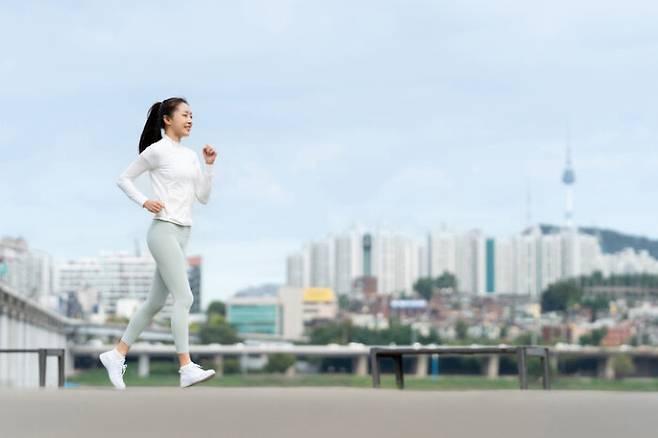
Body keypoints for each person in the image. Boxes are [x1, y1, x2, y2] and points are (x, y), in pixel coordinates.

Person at [99, 97, 218, 389]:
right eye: (185, 115)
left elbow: (202, 196)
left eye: (192, 116)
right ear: (167, 119)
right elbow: (124, 179)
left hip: (183, 232)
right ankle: (186, 367)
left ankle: (117, 355)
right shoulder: (156, 151)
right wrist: (144, 201)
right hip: (163, 231)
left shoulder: (190, 156)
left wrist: (209, 166)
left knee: (155, 303)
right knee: (185, 298)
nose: (190, 120)